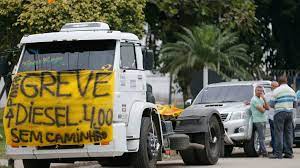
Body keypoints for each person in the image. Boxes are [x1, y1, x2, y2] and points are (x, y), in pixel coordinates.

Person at [269, 76, 296, 159]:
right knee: (289, 133)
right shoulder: (292, 90)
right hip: (289, 113)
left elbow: (271, 104)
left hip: (279, 113)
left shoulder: (276, 90)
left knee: (279, 133)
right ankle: (289, 153)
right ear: (286, 81)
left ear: (279, 82)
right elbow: (295, 104)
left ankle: (278, 154)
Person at [250, 85, 270, 157]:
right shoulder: (254, 99)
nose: (260, 92)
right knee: (261, 137)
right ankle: (264, 153)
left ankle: (261, 151)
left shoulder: (261, 99)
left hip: (263, 120)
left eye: (261, 91)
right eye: (258, 90)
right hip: (258, 121)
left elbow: (267, 108)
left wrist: (264, 99)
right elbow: (262, 110)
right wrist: (264, 108)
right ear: (255, 91)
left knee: (262, 137)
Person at [265, 81, 279, 154]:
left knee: (275, 135)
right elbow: (262, 102)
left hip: (276, 117)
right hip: (272, 117)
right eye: (276, 86)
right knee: (274, 135)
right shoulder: (268, 95)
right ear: (272, 87)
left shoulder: (277, 94)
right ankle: (276, 150)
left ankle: (276, 150)